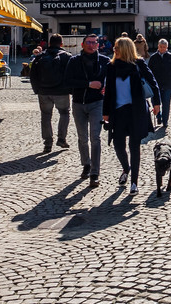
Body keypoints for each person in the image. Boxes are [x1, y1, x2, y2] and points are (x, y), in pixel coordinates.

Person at [102, 36, 161, 194]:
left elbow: (153, 82)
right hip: (118, 112)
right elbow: (108, 92)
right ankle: (126, 169)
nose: (114, 50)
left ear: (125, 49)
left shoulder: (138, 64)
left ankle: (134, 182)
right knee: (118, 145)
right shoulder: (111, 66)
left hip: (136, 111)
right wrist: (105, 113)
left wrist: (157, 103)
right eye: (114, 48)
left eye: (117, 48)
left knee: (134, 146)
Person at [65, 33, 110, 187]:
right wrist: (88, 84)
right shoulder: (74, 61)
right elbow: (68, 81)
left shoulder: (105, 61)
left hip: (97, 103)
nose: (91, 45)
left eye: (94, 43)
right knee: (82, 138)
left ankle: (95, 173)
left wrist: (106, 88)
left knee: (95, 138)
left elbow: (110, 80)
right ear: (83, 44)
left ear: (98, 45)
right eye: (89, 42)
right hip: (78, 103)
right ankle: (86, 165)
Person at [30, 33, 73, 153]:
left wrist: (36, 89)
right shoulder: (67, 57)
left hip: (44, 91)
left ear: (49, 44)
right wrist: (71, 90)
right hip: (61, 92)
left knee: (45, 116)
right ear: (61, 43)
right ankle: (61, 138)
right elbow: (71, 75)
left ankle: (48, 143)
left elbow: (32, 74)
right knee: (64, 113)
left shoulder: (40, 56)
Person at [147, 38, 171, 131]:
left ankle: (165, 121)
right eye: (161, 47)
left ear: (167, 47)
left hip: (168, 84)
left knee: (166, 103)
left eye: (164, 47)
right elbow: (149, 70)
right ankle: (158, 116)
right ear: (158, 46)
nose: (162, 49)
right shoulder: (153, 57)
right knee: (155, 102)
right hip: (156, 85)